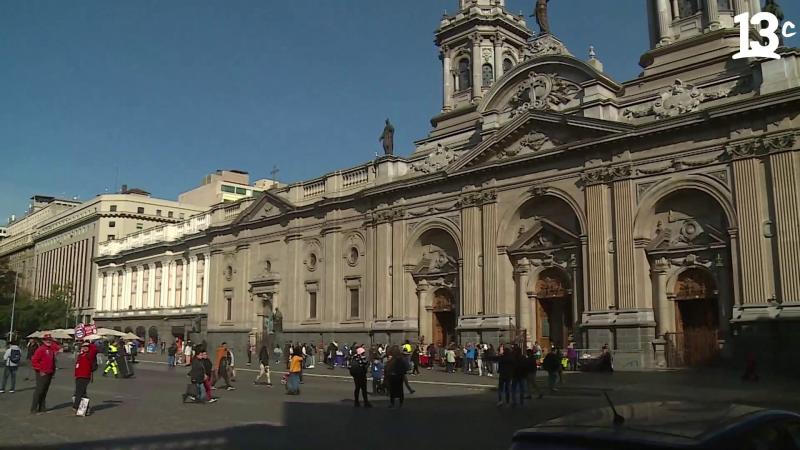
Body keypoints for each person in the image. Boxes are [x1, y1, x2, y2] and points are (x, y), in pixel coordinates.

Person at [30, 334, 59, 414]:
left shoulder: (51, 349)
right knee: (39, 390)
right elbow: (34, 361)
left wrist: (53, 371)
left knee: (45, 390)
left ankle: (42, 407)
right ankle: (34, 409)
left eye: (50, 339)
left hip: (49, 372)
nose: (48, 341)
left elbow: (58, 348)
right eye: (47, 340)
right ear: (43, 341)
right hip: (42, 373)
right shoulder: (41, 349)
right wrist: (40, 370)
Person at [73, 341, 97, 413]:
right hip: (78, 376)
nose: (85, 348)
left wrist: (89, 343)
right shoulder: (81, 355)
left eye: (86, 347)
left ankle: (76, 406)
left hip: (85, 376)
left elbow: (95, 349)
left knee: (79, 392)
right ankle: (85, 409)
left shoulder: (90, 354)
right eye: (83, 347)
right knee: (82, 393)